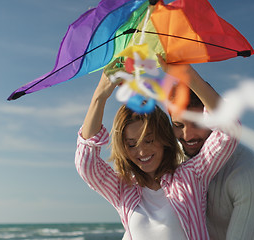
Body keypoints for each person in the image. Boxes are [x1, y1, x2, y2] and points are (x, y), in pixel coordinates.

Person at [75, 61, 238, 240]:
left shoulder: (191, 176)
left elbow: (229, 130)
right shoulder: (122, 189)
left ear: (163, 139)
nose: (142, 152)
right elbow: (86, 165)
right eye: (131, 144)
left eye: (149, 140)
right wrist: (100, 96)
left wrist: (189, 77)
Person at [162, 61, 254, 240]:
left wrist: (188, 74)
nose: (187, 136)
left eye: (197, 124)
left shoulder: (249, 169)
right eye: (178, 125)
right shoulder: (173, 162)